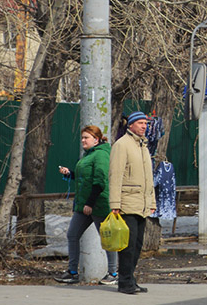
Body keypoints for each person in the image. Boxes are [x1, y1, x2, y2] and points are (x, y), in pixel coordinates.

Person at [54, 125, 118, 285]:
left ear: (96, 140)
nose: (83, 140)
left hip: (98, 204)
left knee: (107, 238)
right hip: (83, 204)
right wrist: (70, 174)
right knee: (72, 235)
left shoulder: (101, 155)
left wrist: (90, 203)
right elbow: (85, 178)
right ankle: (72, 272)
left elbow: (100, 180)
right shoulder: (88, 155)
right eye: (82, 137)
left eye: (86, 138)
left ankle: (113, 272)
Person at [110, 111, 156, 294]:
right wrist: (115, 203)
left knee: (137, 246)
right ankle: (124, 282)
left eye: (146, 123)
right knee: (127, 247)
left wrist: (151, 201)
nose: (144, 126)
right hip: (127, 203)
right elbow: (115, 175)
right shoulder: (122, 145)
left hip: (142, 204)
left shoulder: (142, 146)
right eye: (140, 123)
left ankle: (131, 279)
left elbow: (148, 178)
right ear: (131, 126)